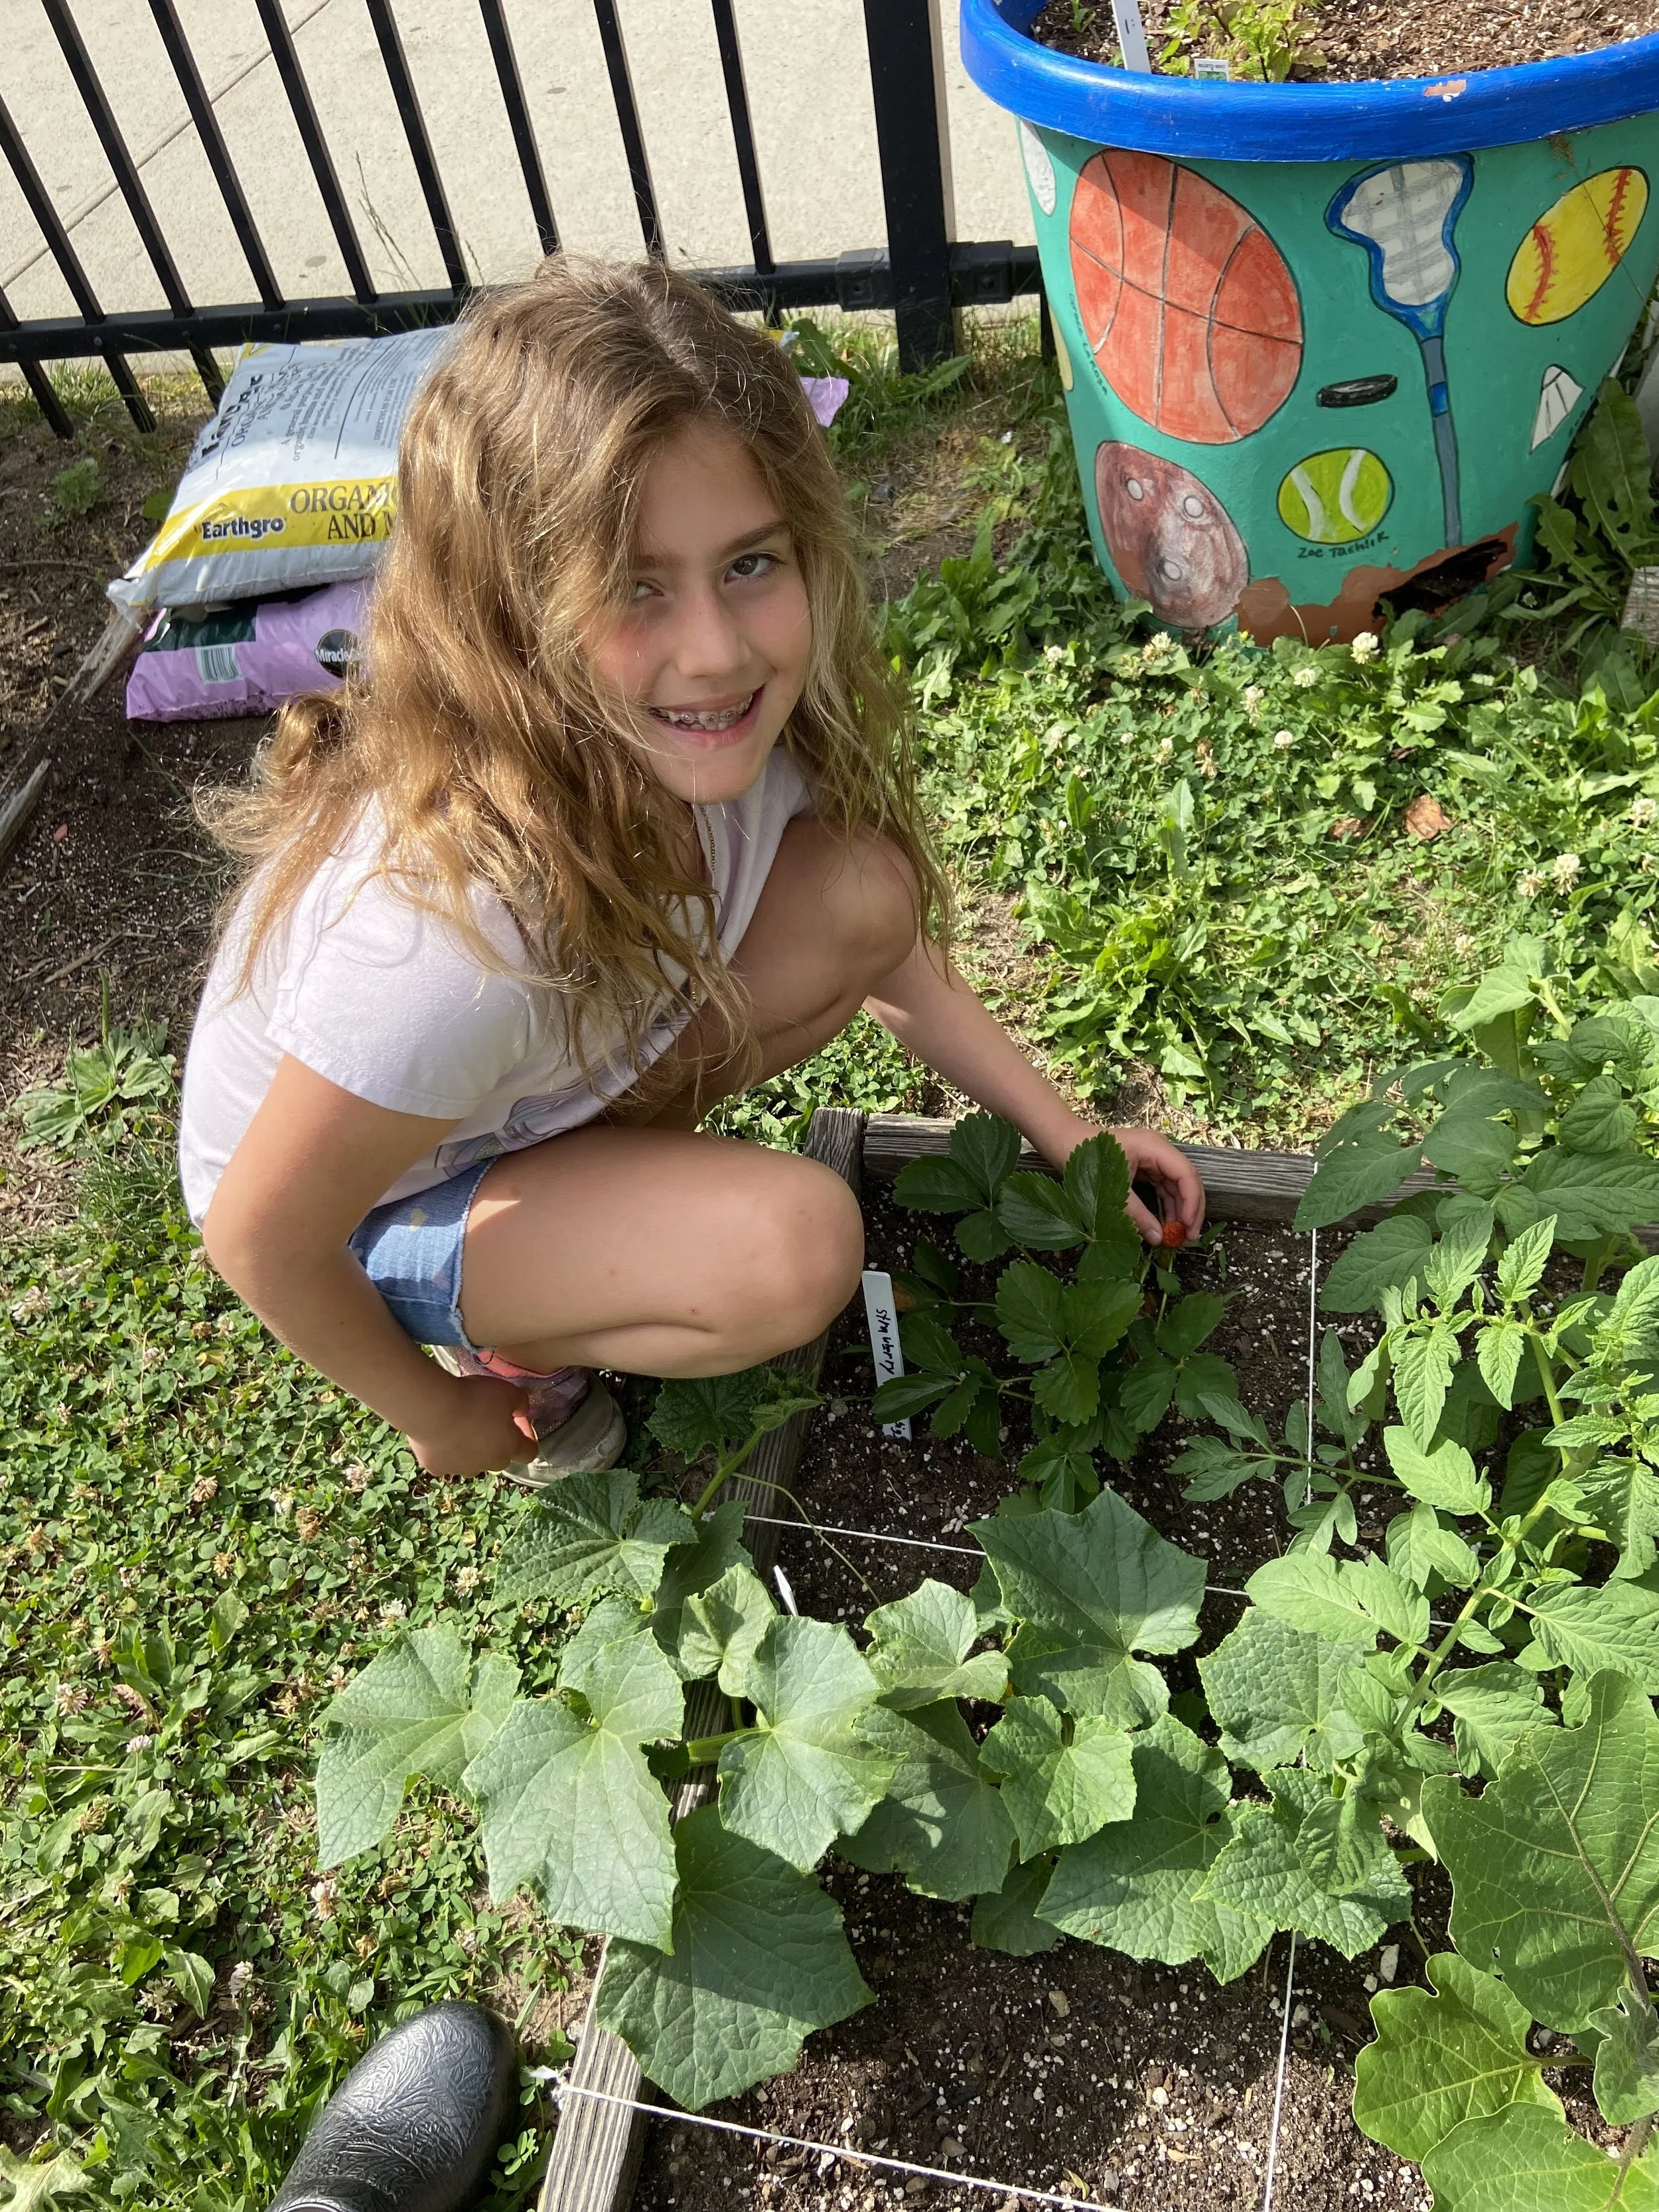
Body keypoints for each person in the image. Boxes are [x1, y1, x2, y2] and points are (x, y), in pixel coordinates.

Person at [179, 257, 1204, 1484]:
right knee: (791, 1253)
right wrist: (429, 1418)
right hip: (365, 1208)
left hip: (510, 1086)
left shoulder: (717, 745)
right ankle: (503, 1336)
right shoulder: (450, 942)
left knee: (862, 890)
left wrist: (1069, 1135)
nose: (715, 653)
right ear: (510, 612)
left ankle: (591, 1196)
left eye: (751, 566)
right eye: (633, 588)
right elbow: (261, 1233)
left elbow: (889, 955)